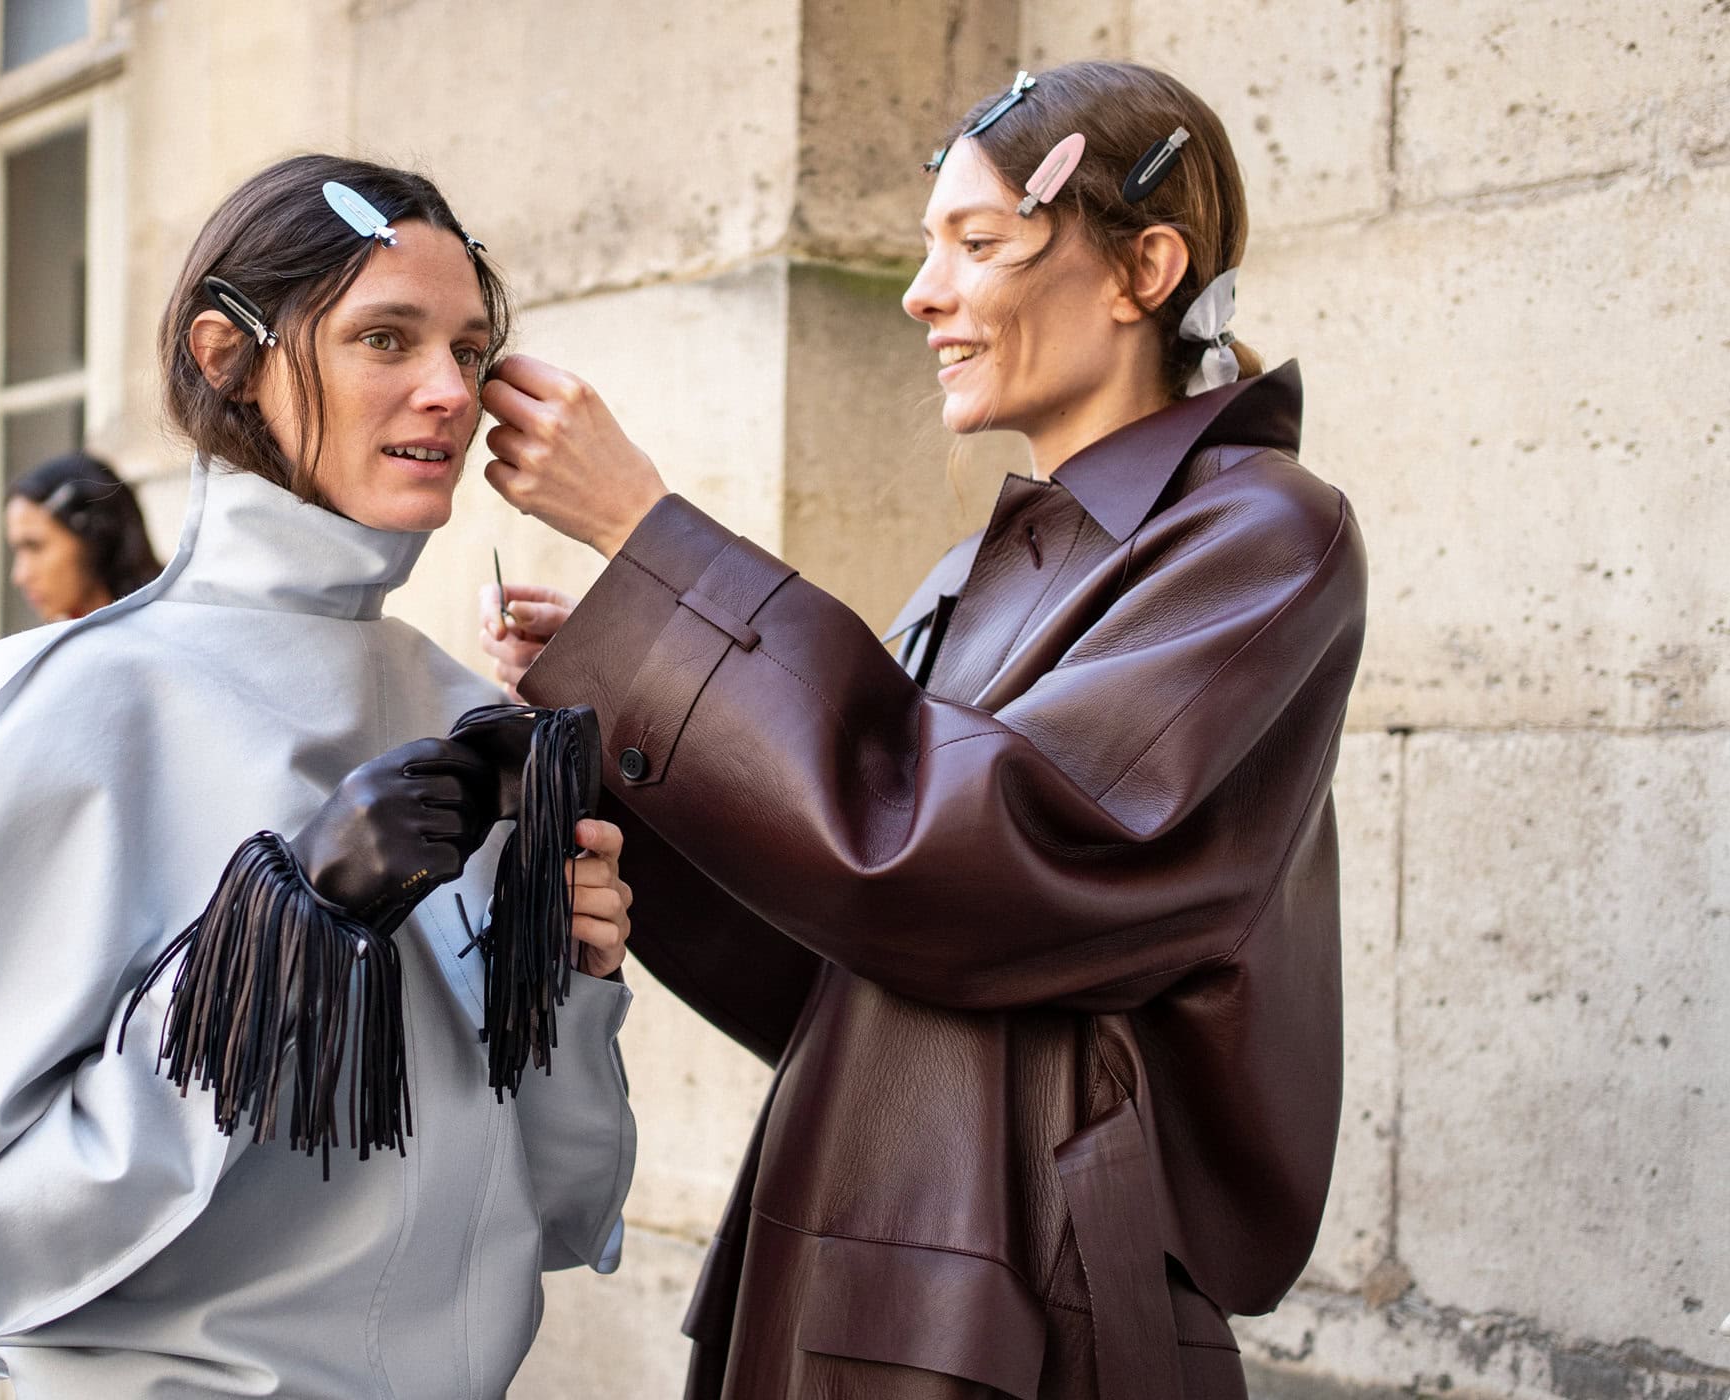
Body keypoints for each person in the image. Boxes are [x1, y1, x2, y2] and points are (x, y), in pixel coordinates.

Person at [479, 60, 1367, 1400]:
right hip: (855, 1250)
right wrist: (626, 713)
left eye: (979, 243)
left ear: (1145, 269)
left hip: (1024, 1301)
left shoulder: (1264, 538)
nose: (922, 292)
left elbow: (967, 859)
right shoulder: (977, 572)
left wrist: (650, 544)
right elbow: (840, 954)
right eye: (924, 247)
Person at [0, 155, 637, 1400]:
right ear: (227, 355)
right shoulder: (50, 712)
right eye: (387, 336)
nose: (448, 391)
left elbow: (565, 1202)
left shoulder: (469, 715)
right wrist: (280, 935)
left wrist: (576, 981)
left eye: (471, 348)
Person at [3, 452, 164, 622]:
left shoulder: (168, 628)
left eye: (35, 547)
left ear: (97, 537)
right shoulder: (60, 640)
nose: (20, 575)